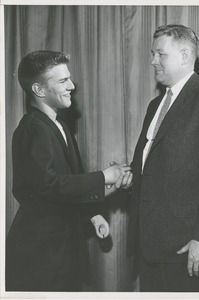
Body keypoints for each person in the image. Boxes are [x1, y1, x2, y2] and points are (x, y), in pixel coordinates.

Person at [6, 50, 131, 292]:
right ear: (39, 90)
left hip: (60, 252)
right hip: (41, 256)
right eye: (63, 81)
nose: (72, 86)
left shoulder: (58, 125)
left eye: (69, 79)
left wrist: (93, 214)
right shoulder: (32, 129)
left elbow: (71, 180)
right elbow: (50, 185)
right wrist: (105, 176)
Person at [126, 24, 199, 292]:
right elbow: (150, 164)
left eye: (160, 54)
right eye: (153, 54)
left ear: (185, 56)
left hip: (188, 250)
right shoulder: (156, 105)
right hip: (150, 248)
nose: (152, 61)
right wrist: (126, 174)